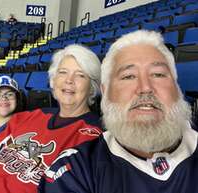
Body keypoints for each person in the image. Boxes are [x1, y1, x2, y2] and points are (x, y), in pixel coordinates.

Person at [38, 30, 197, 193]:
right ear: (105, 92)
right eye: (128, 76)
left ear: (177, 88)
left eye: (158, 74)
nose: (146, 88)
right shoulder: (75, 170)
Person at [0, 44, 103, 193]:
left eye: (80, 75)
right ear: (53, 80)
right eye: (63, 72)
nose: (69, 80)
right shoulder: (25, 118)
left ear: (92, 87)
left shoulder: (95, 138)